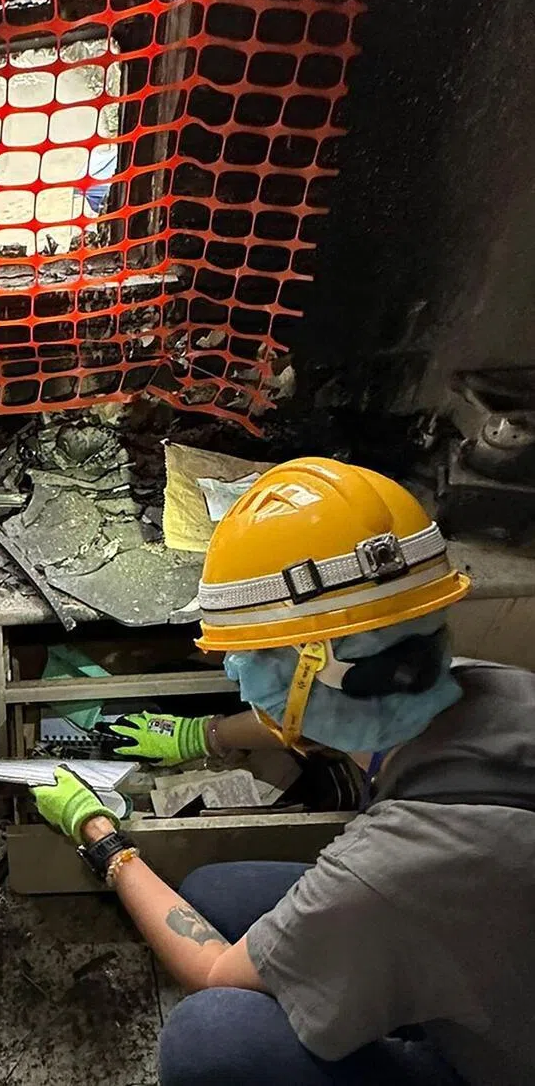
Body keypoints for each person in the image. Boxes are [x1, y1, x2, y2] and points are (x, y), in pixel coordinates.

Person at [30, 457, 535, 1086]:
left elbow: (212, 971)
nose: (238, 676)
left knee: (211, 1035)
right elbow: (336, 703)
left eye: (248, 655)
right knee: (216, 893)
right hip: (497, 964)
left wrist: (104, 840)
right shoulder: (493, 688)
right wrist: (202, 734)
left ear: (313, 665)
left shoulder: (395, 868)